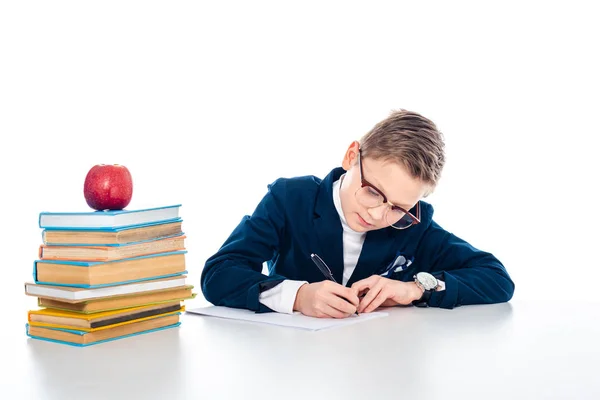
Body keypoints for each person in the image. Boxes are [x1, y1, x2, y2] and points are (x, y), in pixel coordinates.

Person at [201, 109, 514, 318]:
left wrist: (414, 289)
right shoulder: (290, 199)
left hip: (372, 363)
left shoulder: (415, 225)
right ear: (352, 156)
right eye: (373, 192)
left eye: (398, 208)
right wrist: (298, 296)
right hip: (292, 365)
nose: (378, 215)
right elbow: (218, 274)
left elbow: (497, 278)